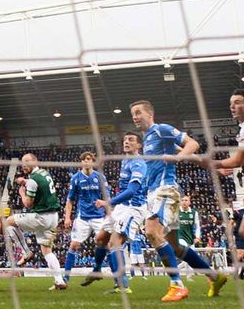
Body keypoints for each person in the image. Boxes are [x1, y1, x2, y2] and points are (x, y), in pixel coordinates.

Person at [129, 100, 226, 302]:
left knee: (152, 232)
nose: (135, 117)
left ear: (150, 114)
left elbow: (192, 144)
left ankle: (177, 285)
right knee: (174, 247)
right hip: (156, 193)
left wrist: (178, 156)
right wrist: (215, 166)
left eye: (138, 113)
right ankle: (214, 276)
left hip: (165, 191)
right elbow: (194, 156)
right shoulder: (148, 139)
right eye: (133, 114)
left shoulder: (161, 130)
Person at [81, 132, 147, 294]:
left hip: (134, 207)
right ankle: (97, 270)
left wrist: (108, 202)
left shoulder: (138, 163)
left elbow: (132, 191)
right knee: (100, 238)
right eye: (124, 139)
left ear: (139, 145)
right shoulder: (125, 161)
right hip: (121, 207)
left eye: (131, 140)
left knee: (114, 243)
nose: (126, 142)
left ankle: (123, 285)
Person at [202, 89, 244, 262]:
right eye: (231, 103)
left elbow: (237, 161)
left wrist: (211, 163)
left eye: (237, 102)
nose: (233, 106)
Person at [5, 153, 65, 290]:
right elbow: (38, 184)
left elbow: (28, 204)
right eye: (22, 163)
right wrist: (24, 181)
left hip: (41, 217)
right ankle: (59, 281)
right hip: (53, 218)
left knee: (8, 222)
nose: (24, 165)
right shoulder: (44, 173)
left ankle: (26, 252)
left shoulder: (32, 181)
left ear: (34, 161)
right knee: (47, 251)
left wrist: (21, 193)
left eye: (26, 162)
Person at [62, 151, 107, 284]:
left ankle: (100, 271)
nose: (86, 161)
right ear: (81, 162)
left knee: (105, 244)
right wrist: (67, 217)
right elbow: (70, 200)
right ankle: (65, 278)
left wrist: (109, 215)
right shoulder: (76, 178)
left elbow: (107, 198)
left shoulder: (100, 177)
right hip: (82, 217)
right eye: (84, 159)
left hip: (98, 216)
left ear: (92, 161)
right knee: (74, 245)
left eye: (89, 159)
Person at [176, 196, 201, 281]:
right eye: (182, 200)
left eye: (186, 200)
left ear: (189, 202)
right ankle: (189, 276)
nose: (184, 202)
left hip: (190, 238)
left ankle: (176, 269)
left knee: (190, 257)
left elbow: (197, 226)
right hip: (179, 237)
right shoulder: (177, 212)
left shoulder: (194, 213)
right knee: (187, 253)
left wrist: (197, 236)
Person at [230, 197, 244, 279]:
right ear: (243, 203)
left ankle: (241, 274)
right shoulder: (238, 212)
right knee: (240, 254)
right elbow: (231, 222)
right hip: (240, 236)